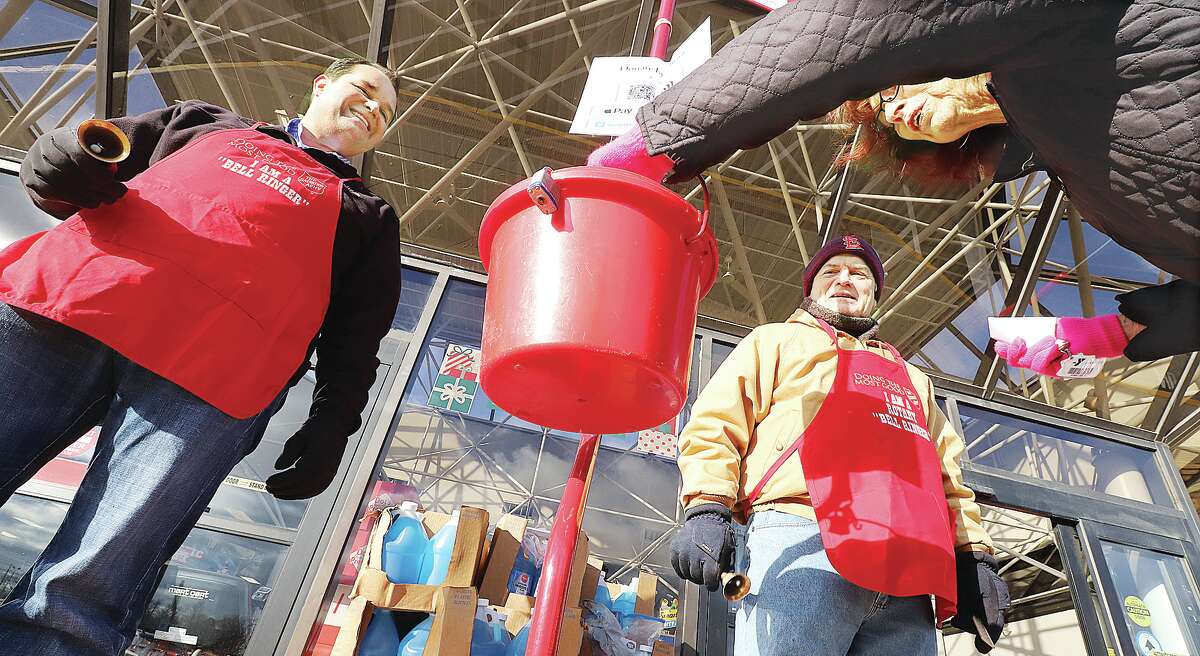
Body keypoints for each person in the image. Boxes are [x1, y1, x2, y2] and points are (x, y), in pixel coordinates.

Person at [0, 57, 402, 655]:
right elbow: (85, 158)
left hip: (212, 378)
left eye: (385, 113)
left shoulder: (368, 216)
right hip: (69, 301)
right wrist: (56, 158)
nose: (372, 109)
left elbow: (355, 342)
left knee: (101, 564)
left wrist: (332, 425)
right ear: (321, 84)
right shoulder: (201, 125)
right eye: (365, 90)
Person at [588, 1, 1200, 377]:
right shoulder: (1065, 153)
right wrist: (1114, 336)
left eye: (893, 88)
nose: (896, 108)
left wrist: (649, 144)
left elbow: (871, 22)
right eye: (887, 116)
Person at [669, 234, 1008, 655]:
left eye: (859, 274)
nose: (845, 279)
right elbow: (716, 424)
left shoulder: (914, 380)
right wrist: (707, 505)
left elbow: (947, 478)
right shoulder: (773, 342)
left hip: (908, 563)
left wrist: (973, 556)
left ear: (875, 294)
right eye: (831, 271)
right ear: (811, 289)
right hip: (803, 535)